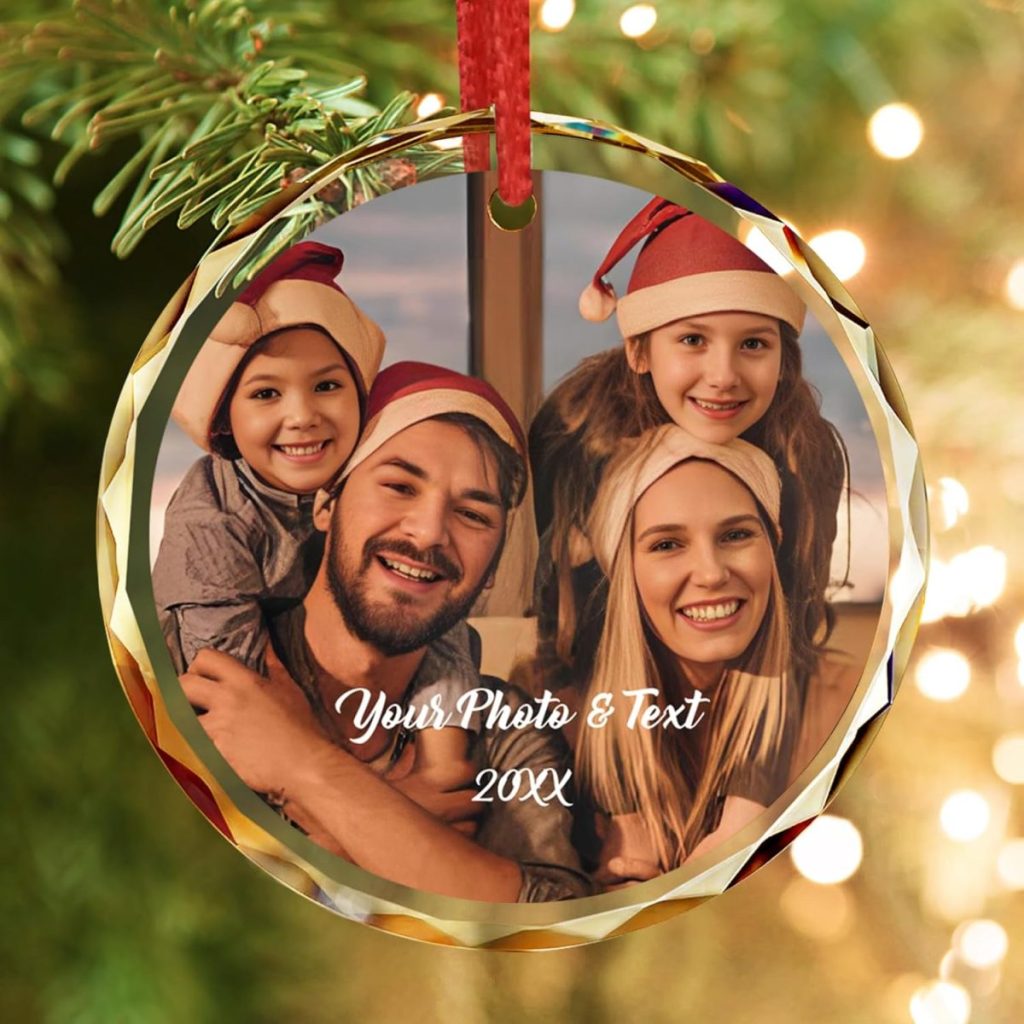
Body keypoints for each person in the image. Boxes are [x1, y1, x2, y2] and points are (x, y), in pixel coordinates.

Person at [180, 364, 590, 904]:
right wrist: (403, 831)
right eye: (399, 486)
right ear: (326, 505)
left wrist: (305, 765)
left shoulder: (505, 733)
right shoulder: (199, 673)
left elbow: (554, 918)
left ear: (490, 569)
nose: (428, 532)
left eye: (471, 514)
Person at [529, 200, 846, 714]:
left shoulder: (804, 449)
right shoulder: (576, 432)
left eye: (753, 344)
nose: (723, 375)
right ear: (638, 351)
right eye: (693, 339)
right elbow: (557, 609)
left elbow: (800, 604)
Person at [576, 424, 800, 882]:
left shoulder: (834, 705)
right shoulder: (565, 727)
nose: (711, 573)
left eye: (736, 535)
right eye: (666, 544)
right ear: (626, 574)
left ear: (772, 546)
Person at [153, 241, 386, 676]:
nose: (301, 417)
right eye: (265, 394)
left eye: (327, 386)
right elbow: (232, 685)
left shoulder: (378, 477)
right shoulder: (207, 522)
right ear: (224, 414)